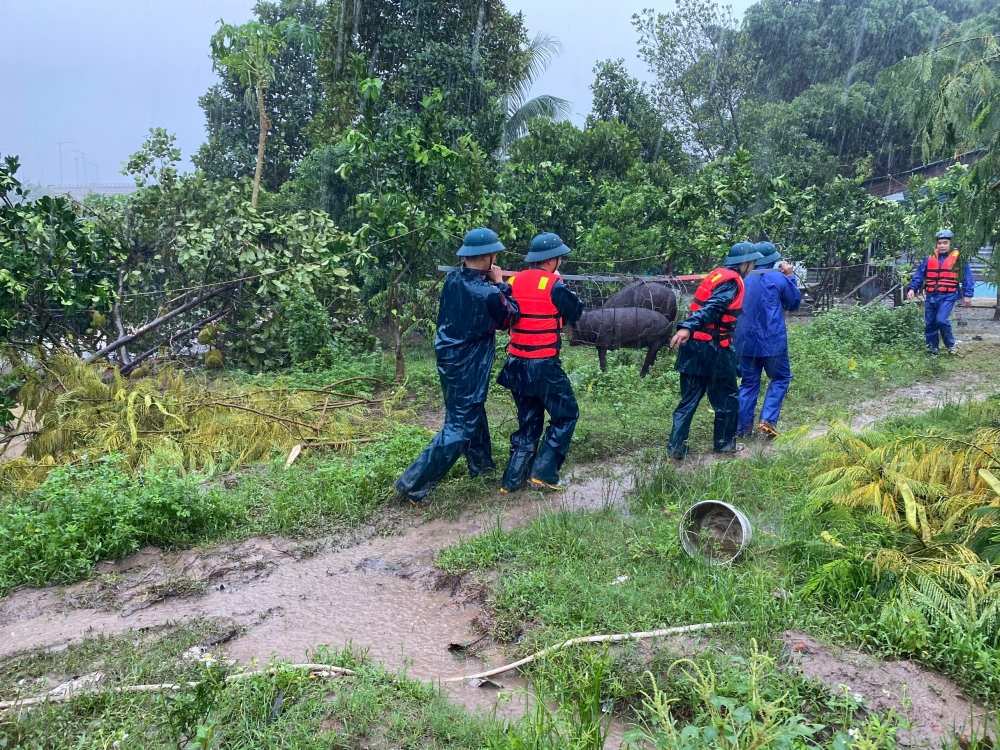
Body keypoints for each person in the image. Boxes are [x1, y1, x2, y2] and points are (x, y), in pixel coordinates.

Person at [394, 228, 520, 506]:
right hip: (469, 363)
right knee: (460, 426)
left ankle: (483, 468)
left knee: (471, 412)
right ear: (487, 256)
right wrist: (501, 283)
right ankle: (413, 484)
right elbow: (510, 315)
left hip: (449, 359)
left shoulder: (452, 280)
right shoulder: (486, 293)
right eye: (494, 255)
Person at [498, 233, 584, 492]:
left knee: (529, 421)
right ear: (551, 260)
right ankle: (544, 472)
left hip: (516, 364)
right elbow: (576, 313)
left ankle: (512, 481)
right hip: (543, 366)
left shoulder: (512, 281)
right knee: (567, 414)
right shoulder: (554, 285)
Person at [666, 241, 764, 460]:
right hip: (714, 351)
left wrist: (688, 330)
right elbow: (713, 307)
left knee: (688, 401)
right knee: (728, 400)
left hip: (692, 349)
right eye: (753, 262)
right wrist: (687, 327)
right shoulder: (732, 283)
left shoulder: (717, 275)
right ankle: (724, 445)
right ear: (745, 263)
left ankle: (675, 449)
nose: (754, 267)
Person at [734, 241, 802, 439]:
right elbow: (793, 303)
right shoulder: (778, 278)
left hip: (744, 343)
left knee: (748, 384)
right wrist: (790, 276)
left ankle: (742, 430)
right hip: (772, 342)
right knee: (781, 378)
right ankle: (767, 419)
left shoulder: (742, 279)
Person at [905, 229, 974, 355]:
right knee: (930, 322)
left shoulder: (959, 258)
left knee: (941, 320)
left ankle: (951, 345)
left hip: (948, 295)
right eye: (940, 243)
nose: (942, 245)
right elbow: (919, 275)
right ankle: (932, 348)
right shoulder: (930, 258)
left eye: (945, 243)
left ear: (950, 244)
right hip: (931, 295)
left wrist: (968, 295)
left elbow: (967, 277)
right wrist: (912, 288)